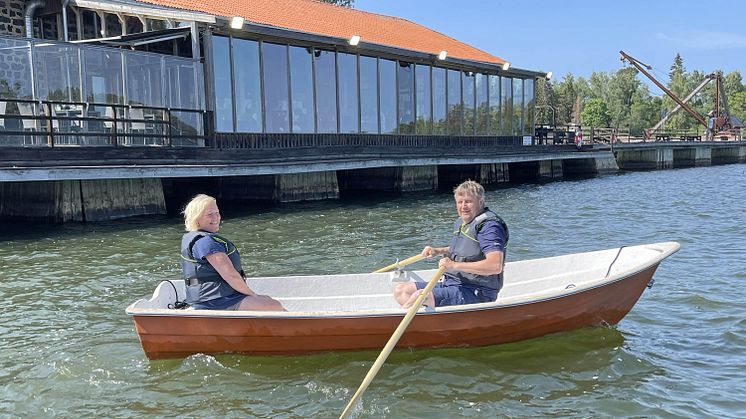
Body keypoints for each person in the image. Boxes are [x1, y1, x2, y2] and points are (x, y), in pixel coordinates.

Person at [393, 180, 508, 308]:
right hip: (451, 283)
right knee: (401, 290)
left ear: (480, 202)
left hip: (475, 290)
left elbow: (494, 265)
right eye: (460, 202)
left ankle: (400, 321)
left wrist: (454, 265)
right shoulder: (463, 222)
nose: (463, 206)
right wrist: (438, 251)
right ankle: (429, 323)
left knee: (419, 296)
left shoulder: (489, 227)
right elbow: (466, 250)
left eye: (468, 201)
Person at [180, 194, 285, 311]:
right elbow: (230, 275)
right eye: (210, 214)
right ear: (197, 218)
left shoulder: (199, 238)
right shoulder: (206, 242)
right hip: (215, 301)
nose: (216, 218)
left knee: (266, 299)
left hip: (216, 297)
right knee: (275, 306)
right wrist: (253, 295)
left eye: (217, 213)